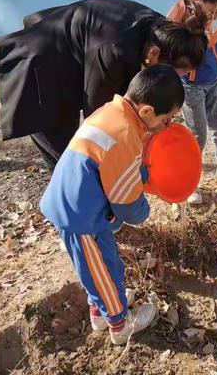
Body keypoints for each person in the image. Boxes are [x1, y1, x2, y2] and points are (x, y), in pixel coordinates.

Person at [40, 65, 184, 345]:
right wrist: (144, 209)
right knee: (100, 272)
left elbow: (110, 169)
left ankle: (102, 308)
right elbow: (126, 201)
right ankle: (119, 324)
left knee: (107, 265)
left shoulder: (114, 112)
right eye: (167, 120)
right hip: (77, 215)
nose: (168, 127)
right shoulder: (125, 136)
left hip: (87, 206)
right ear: (146, 112)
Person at [0, 0, 207, 172]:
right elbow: (99, 119)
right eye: (171, 73)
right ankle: (72, 217)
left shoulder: (162, 34)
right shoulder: (113, 52)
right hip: (41, 70)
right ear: (154, 54)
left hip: (72, 64)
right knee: (72, 158)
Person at [168, 0, 217, 204]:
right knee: (196, 135)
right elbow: (170, 53)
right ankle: (190, 180)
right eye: (216, 10)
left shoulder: (216, 13)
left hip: (214, 82)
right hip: (191, 87)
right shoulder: (177, 18)